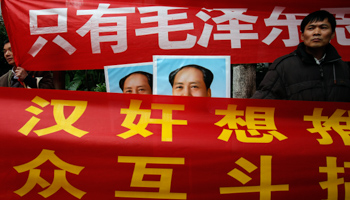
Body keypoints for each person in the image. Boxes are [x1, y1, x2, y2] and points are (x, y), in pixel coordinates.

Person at [252, 10, 350, 102]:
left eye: (323, 27)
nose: (316, 33)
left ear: (332, 34)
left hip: (333, 120)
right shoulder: (284, 66)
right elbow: (263, 101)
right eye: (311, 28)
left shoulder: (343, 67)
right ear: (302, 35)